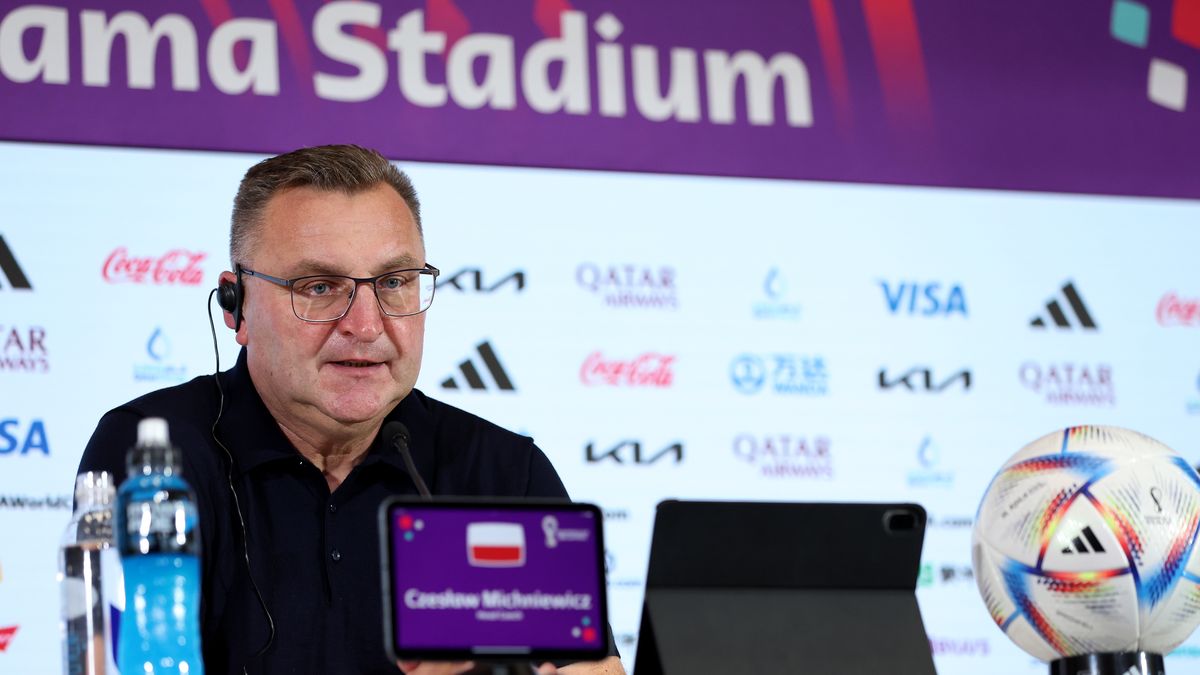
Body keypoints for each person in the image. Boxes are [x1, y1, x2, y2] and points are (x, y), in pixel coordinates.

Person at [77, 145, 625, 675]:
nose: (365, 326)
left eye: (393, 283)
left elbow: (593, 670)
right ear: (237, 305)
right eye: (319, 286)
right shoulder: (154, 459)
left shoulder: (502, 471)